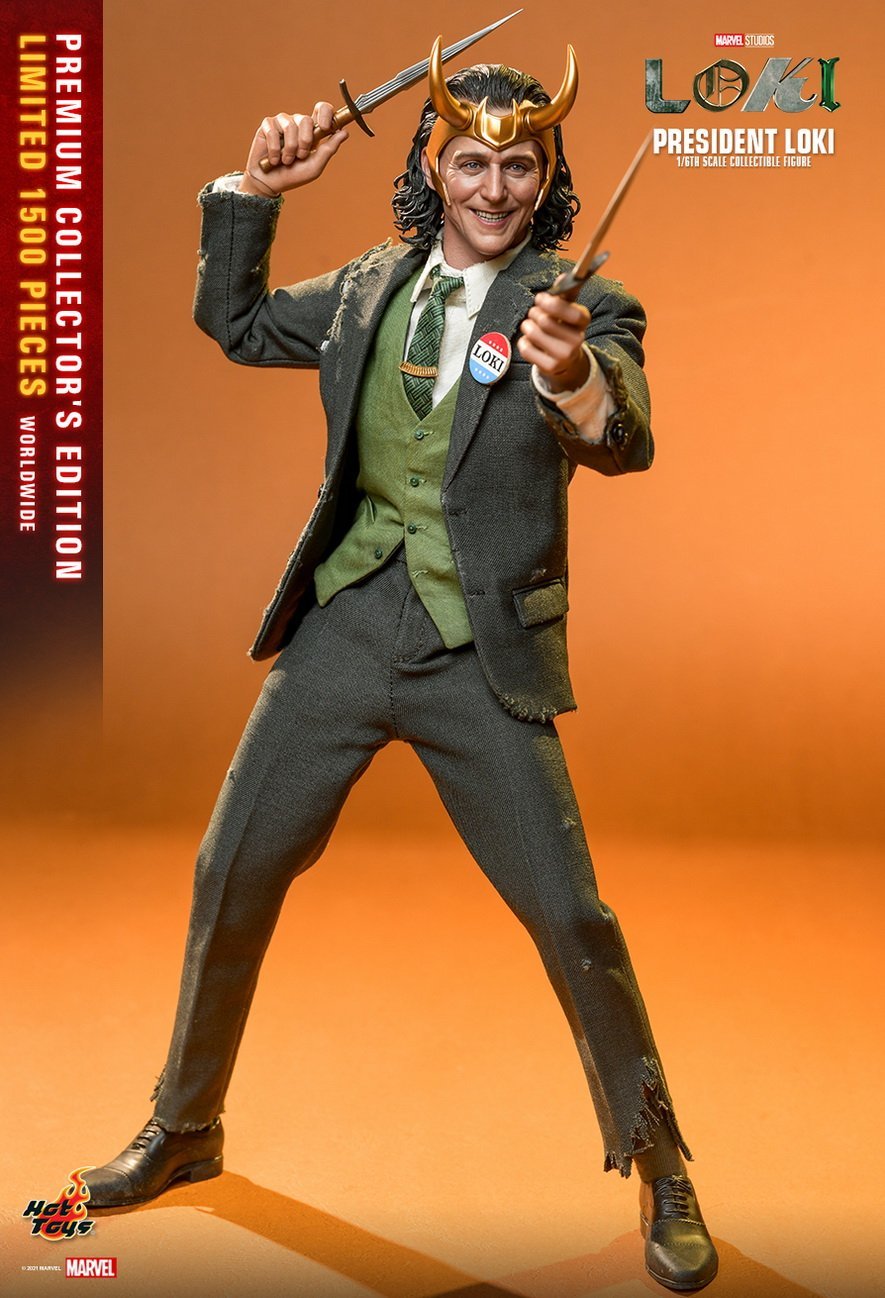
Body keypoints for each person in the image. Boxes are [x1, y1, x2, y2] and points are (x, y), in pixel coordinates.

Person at [82, 42, 718, 1293]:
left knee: (570, 913)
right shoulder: (373, 285)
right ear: (433, 164)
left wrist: (572, 373)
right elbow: (236, 323)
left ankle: (663, 1162)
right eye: (471, 162)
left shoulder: (577, 302)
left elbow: (626, 435)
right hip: (347, 621)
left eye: (519, 169)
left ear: (549, 178)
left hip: (479, 648)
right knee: (229, 866)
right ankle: (186, 1121)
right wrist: (256, 191)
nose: (493, 189)